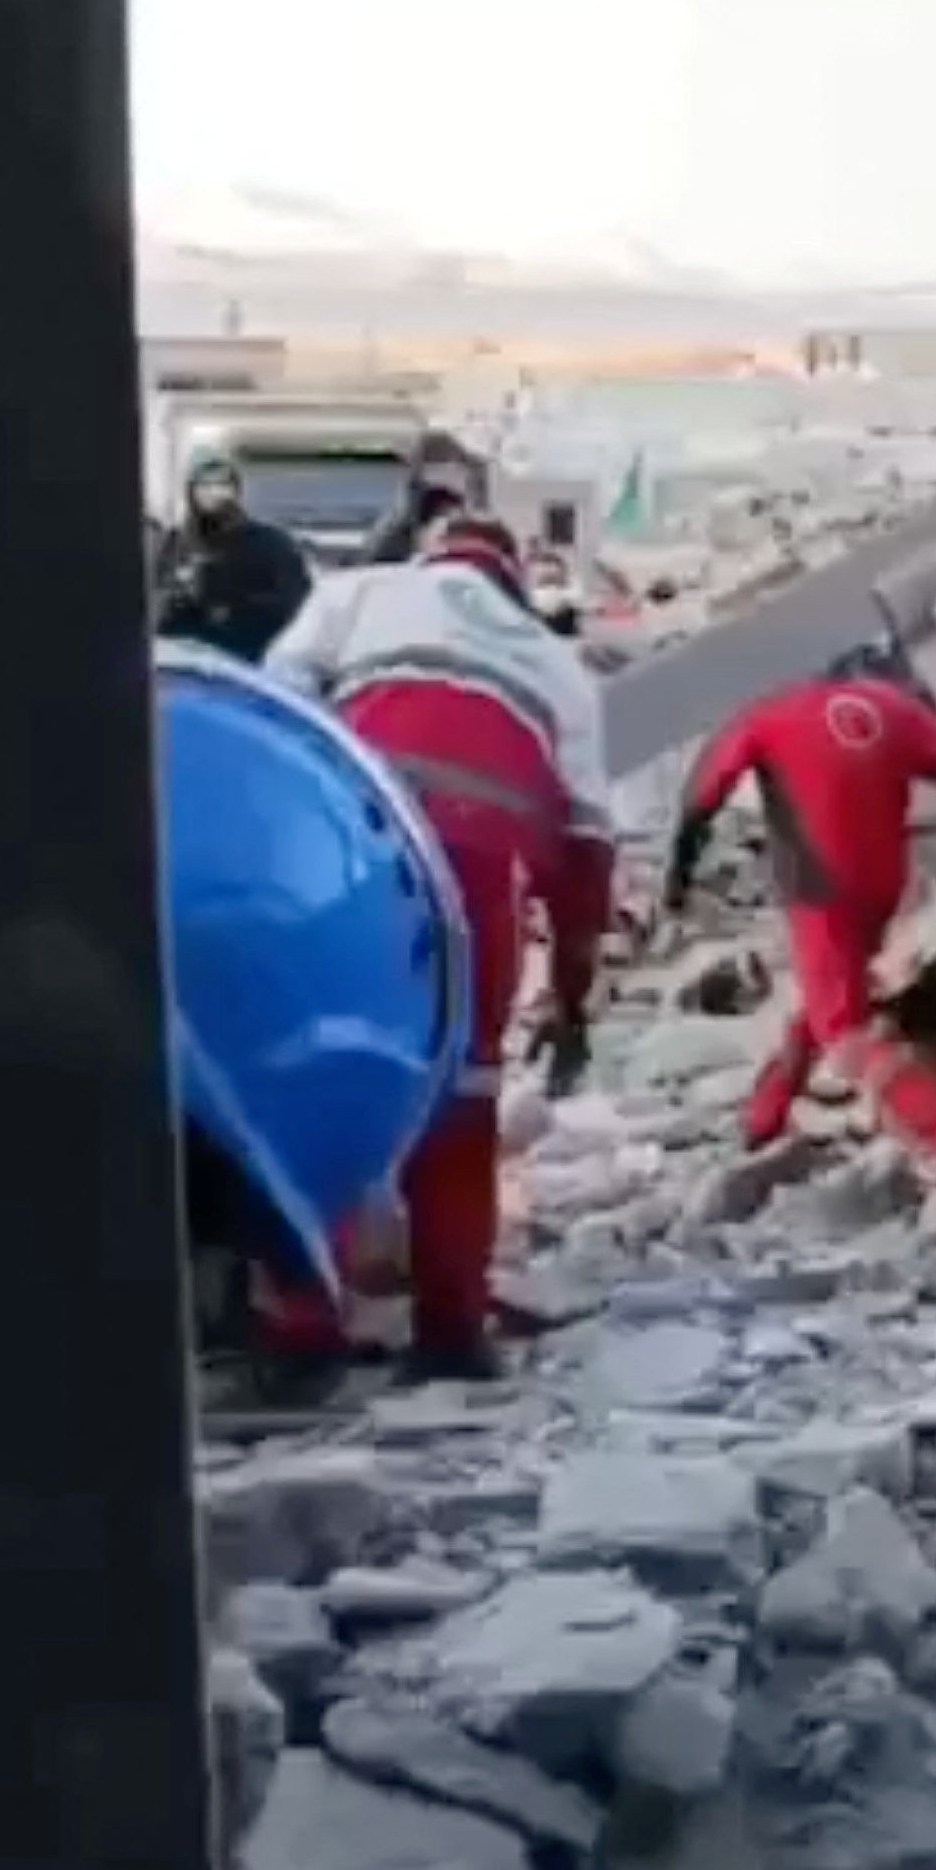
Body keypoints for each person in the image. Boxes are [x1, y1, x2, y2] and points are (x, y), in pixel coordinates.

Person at [253, 516, 615, 1392]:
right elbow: (588, 845)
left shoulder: (359, 592)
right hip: (477, 876)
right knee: (463, 1091)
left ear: (432, 555)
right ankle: (451, 1330)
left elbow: (269, 704)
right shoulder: (556, 662)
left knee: (319, 1070)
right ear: (516, 581)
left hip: (355, 845)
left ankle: (301, 1332)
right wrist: (571, 998)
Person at [660, 651, 936, 1162]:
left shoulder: (767, 714)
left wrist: (678, 876)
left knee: (840, 1026)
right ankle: (764, 1116)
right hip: (881, 885)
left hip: (818, 888)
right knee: (833, 989)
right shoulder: (897, 710)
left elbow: (702, 795)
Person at [153, 454, 314, 662]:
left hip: (245, 661)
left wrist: (226, 607)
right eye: (204, 485)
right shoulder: (176, 543)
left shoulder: (270, 543)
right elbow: (158, 598)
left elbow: (295, 604)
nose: (212, 493)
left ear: (236, 491)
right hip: (182, 660)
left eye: (221, 485)